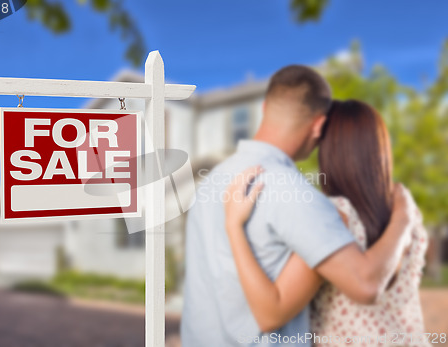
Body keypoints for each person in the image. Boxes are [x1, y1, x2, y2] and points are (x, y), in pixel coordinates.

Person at [181, 65, 417, 347]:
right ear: (318, 125)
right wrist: (403, 217)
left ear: (267, 107)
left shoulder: (209, 184)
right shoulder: (294, 193)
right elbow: (366, 285)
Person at [224, 100, 429, 346]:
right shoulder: (406, 211)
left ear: (329, 151)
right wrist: (404, 217)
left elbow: (271, 314)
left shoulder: (334, 216)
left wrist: (233, 225)